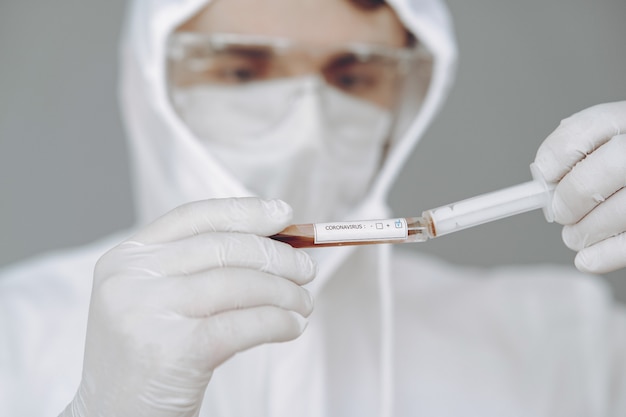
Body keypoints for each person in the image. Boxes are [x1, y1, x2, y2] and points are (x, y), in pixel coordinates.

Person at [1, 0, 625, 416]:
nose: (306, 129)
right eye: (243, 70)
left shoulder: (559, 339)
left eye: (353, 78)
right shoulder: (15, 331)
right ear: (149, 82)